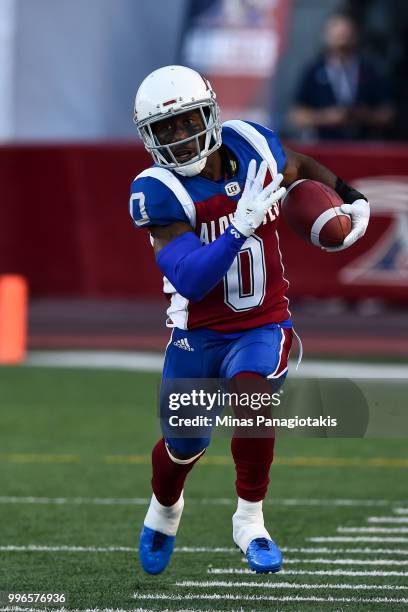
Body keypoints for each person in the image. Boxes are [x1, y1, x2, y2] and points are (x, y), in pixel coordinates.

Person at [130, 65, 370, 575]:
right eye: (164, 129)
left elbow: (297, 165)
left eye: (187, 120)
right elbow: (191, 278)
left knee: (252, 398)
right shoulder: (159, 189)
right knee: (183, 447)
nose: (180, 136)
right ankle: (165, 509)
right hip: (197, 334)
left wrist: (350, 196)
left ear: (210, 113)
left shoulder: (250, 142)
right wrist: (237, 228)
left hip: (262, 321)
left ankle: (250, 520)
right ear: (149, 138)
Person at [289, 12, 394, 140]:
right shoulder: (313, 71)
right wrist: (326, 117)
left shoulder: (369, 71)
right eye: (337, 34)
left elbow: (387, 114)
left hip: (363, 145)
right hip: (323, 146)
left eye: (346, 34)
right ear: (326, 36)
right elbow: (296, 116)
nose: (342, 39)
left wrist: (364, 115)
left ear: (355, 35)